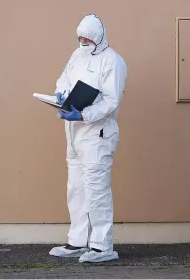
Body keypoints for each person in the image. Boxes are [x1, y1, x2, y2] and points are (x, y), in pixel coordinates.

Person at [49, 14, 128, 263]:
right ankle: (78, 241)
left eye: (87, 38)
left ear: (98, 37)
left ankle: (102, 246)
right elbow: (64, 78)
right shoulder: (77, 55)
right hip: (74, 135)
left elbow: (111, 101)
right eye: (80, 37)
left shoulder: (113, 61)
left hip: (97, 134)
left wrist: (83, 114)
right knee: (76, 188)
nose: (83, 42)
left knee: (96, 189)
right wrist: (60, 93)